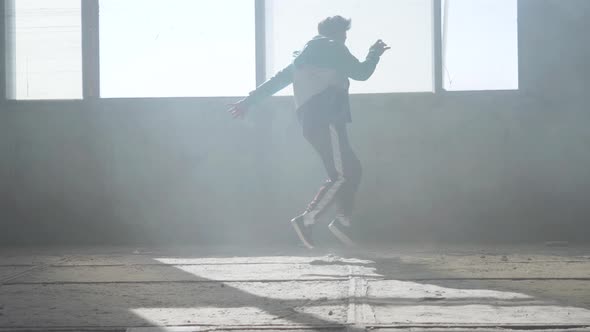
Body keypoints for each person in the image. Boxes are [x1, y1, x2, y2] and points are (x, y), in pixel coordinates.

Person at [227, 15, 390, 249]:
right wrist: (374, 53)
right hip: (327, 117)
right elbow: (362, 73)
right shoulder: (332, 47)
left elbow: (277, 81)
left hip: (315, 121)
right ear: (336, 34)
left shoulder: (302, 57)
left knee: (351, 169)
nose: (345, 39)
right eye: (344, 34)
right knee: (343, 174)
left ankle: (342, 220)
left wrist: (247, 102)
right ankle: (308, 219)